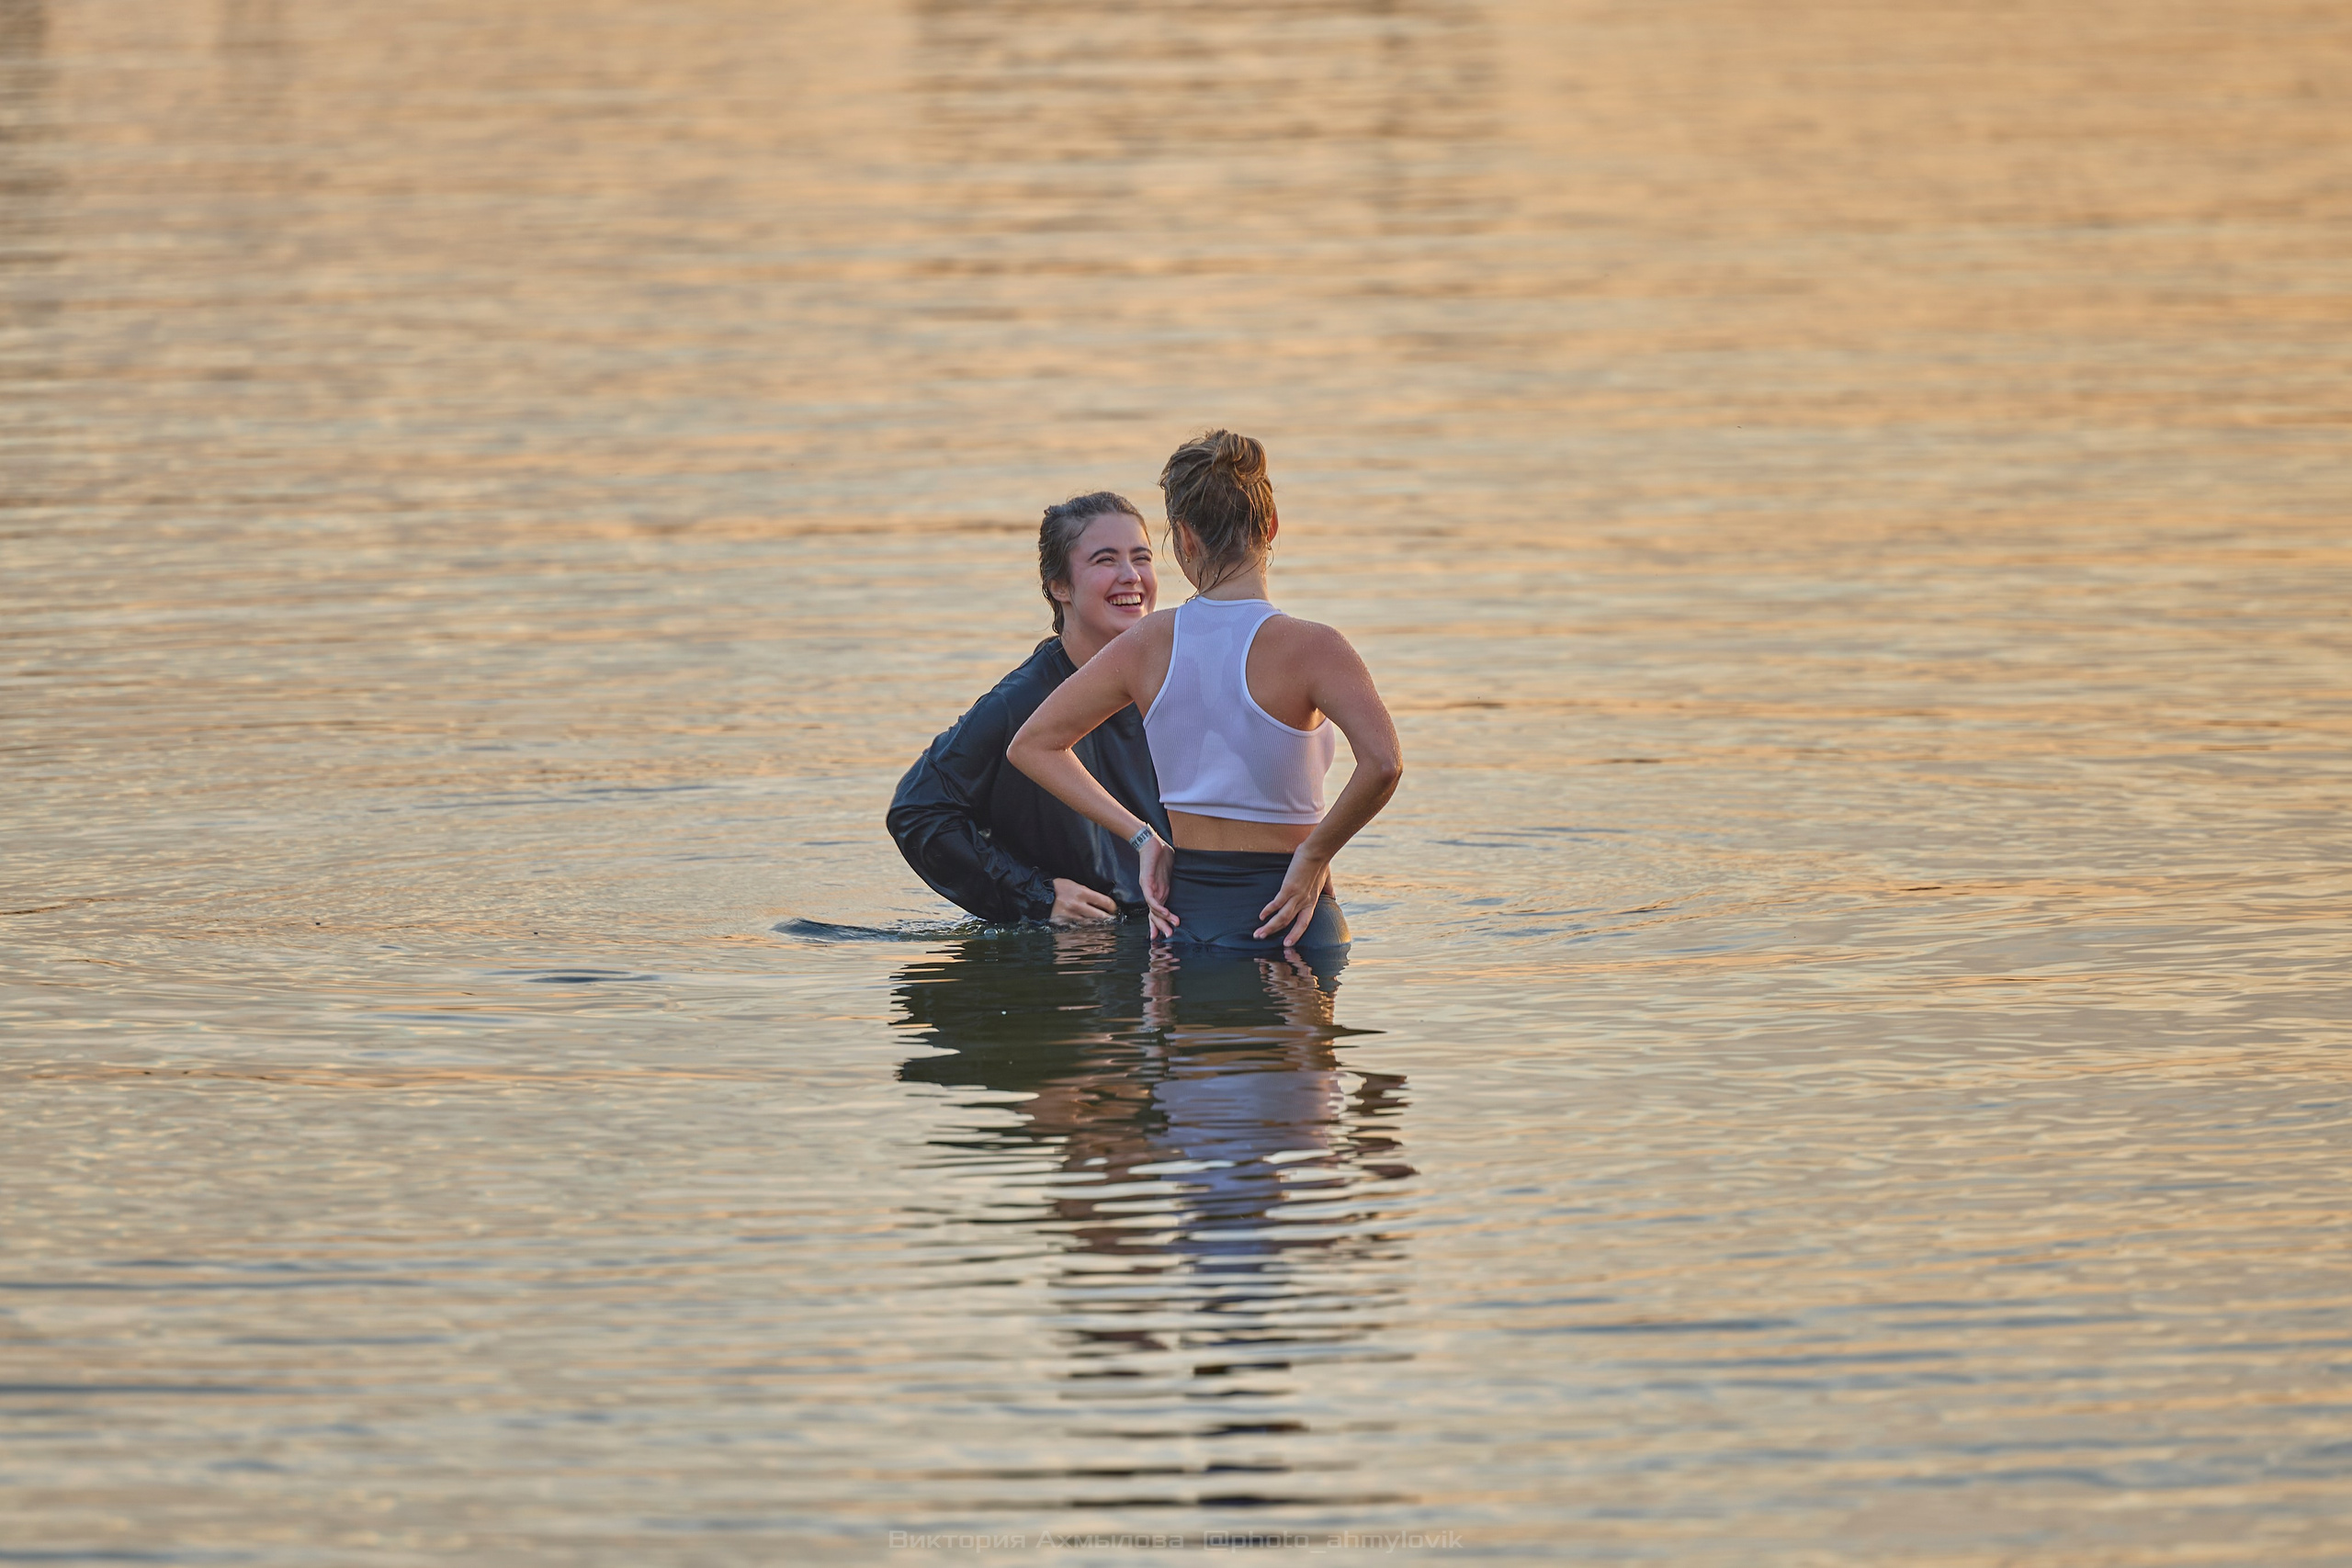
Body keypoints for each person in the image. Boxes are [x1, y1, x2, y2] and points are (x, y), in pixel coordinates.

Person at [1008, 431, 1402, 951]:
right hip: (1293, 920)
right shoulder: (1316, 647)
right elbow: (1383, 764)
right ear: (1272, 525)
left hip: (1184, 924)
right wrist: (1314, 855)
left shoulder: (1147, 643)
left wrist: (1143, 838)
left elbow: (1032, 745)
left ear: (1185, 538)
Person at [888, 493, 1173, 926]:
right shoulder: (1018, 703)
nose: (1131, 576)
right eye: (1105, 560)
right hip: (1080, 947)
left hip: (1172, 930)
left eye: (1141, 558)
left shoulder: (1179, 683)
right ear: (1059, 586)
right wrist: (1036, 896)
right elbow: (917, 811)